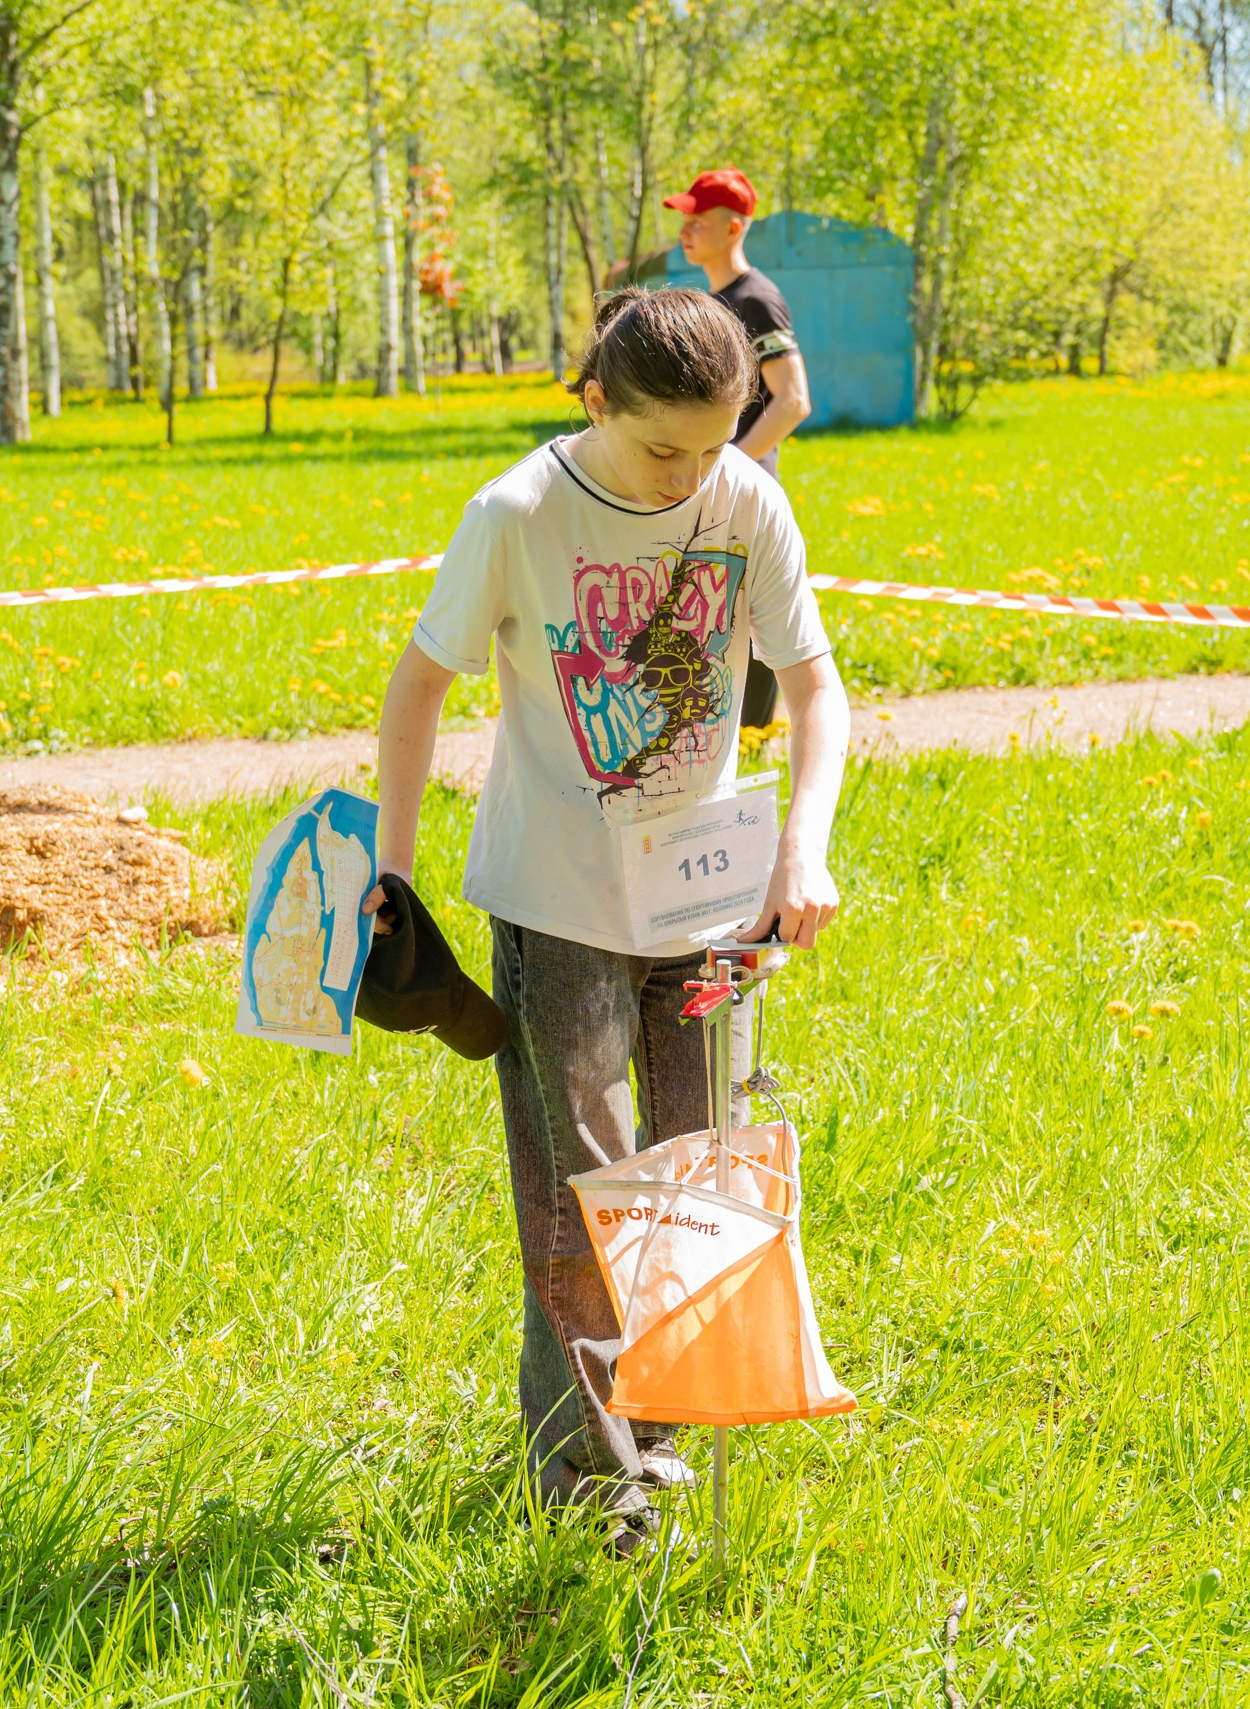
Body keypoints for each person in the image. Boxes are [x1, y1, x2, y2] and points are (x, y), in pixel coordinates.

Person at [371, 288, 850, 1557]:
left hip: (705, 903)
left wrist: (802, 846)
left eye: (717, 444)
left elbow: (815, 689)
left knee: (690, 1174)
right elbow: (418, 683)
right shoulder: (518, 512)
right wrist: (393, 872)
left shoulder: (745, 498)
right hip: (560, 907)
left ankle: (662, 1422)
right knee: (582, 1192)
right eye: (663, 450)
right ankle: (586, 1477)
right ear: (595, 401)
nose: (693, 479)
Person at [665, 167, 813, 729]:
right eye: (684, 221)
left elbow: (793, 401)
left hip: (743, 494)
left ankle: (752, 742)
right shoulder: (714, 301)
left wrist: (727, 465)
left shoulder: (755, 301)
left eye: (698, 221)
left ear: (733, 228)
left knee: (750, 621)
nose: (686, 231)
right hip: (710, 490)